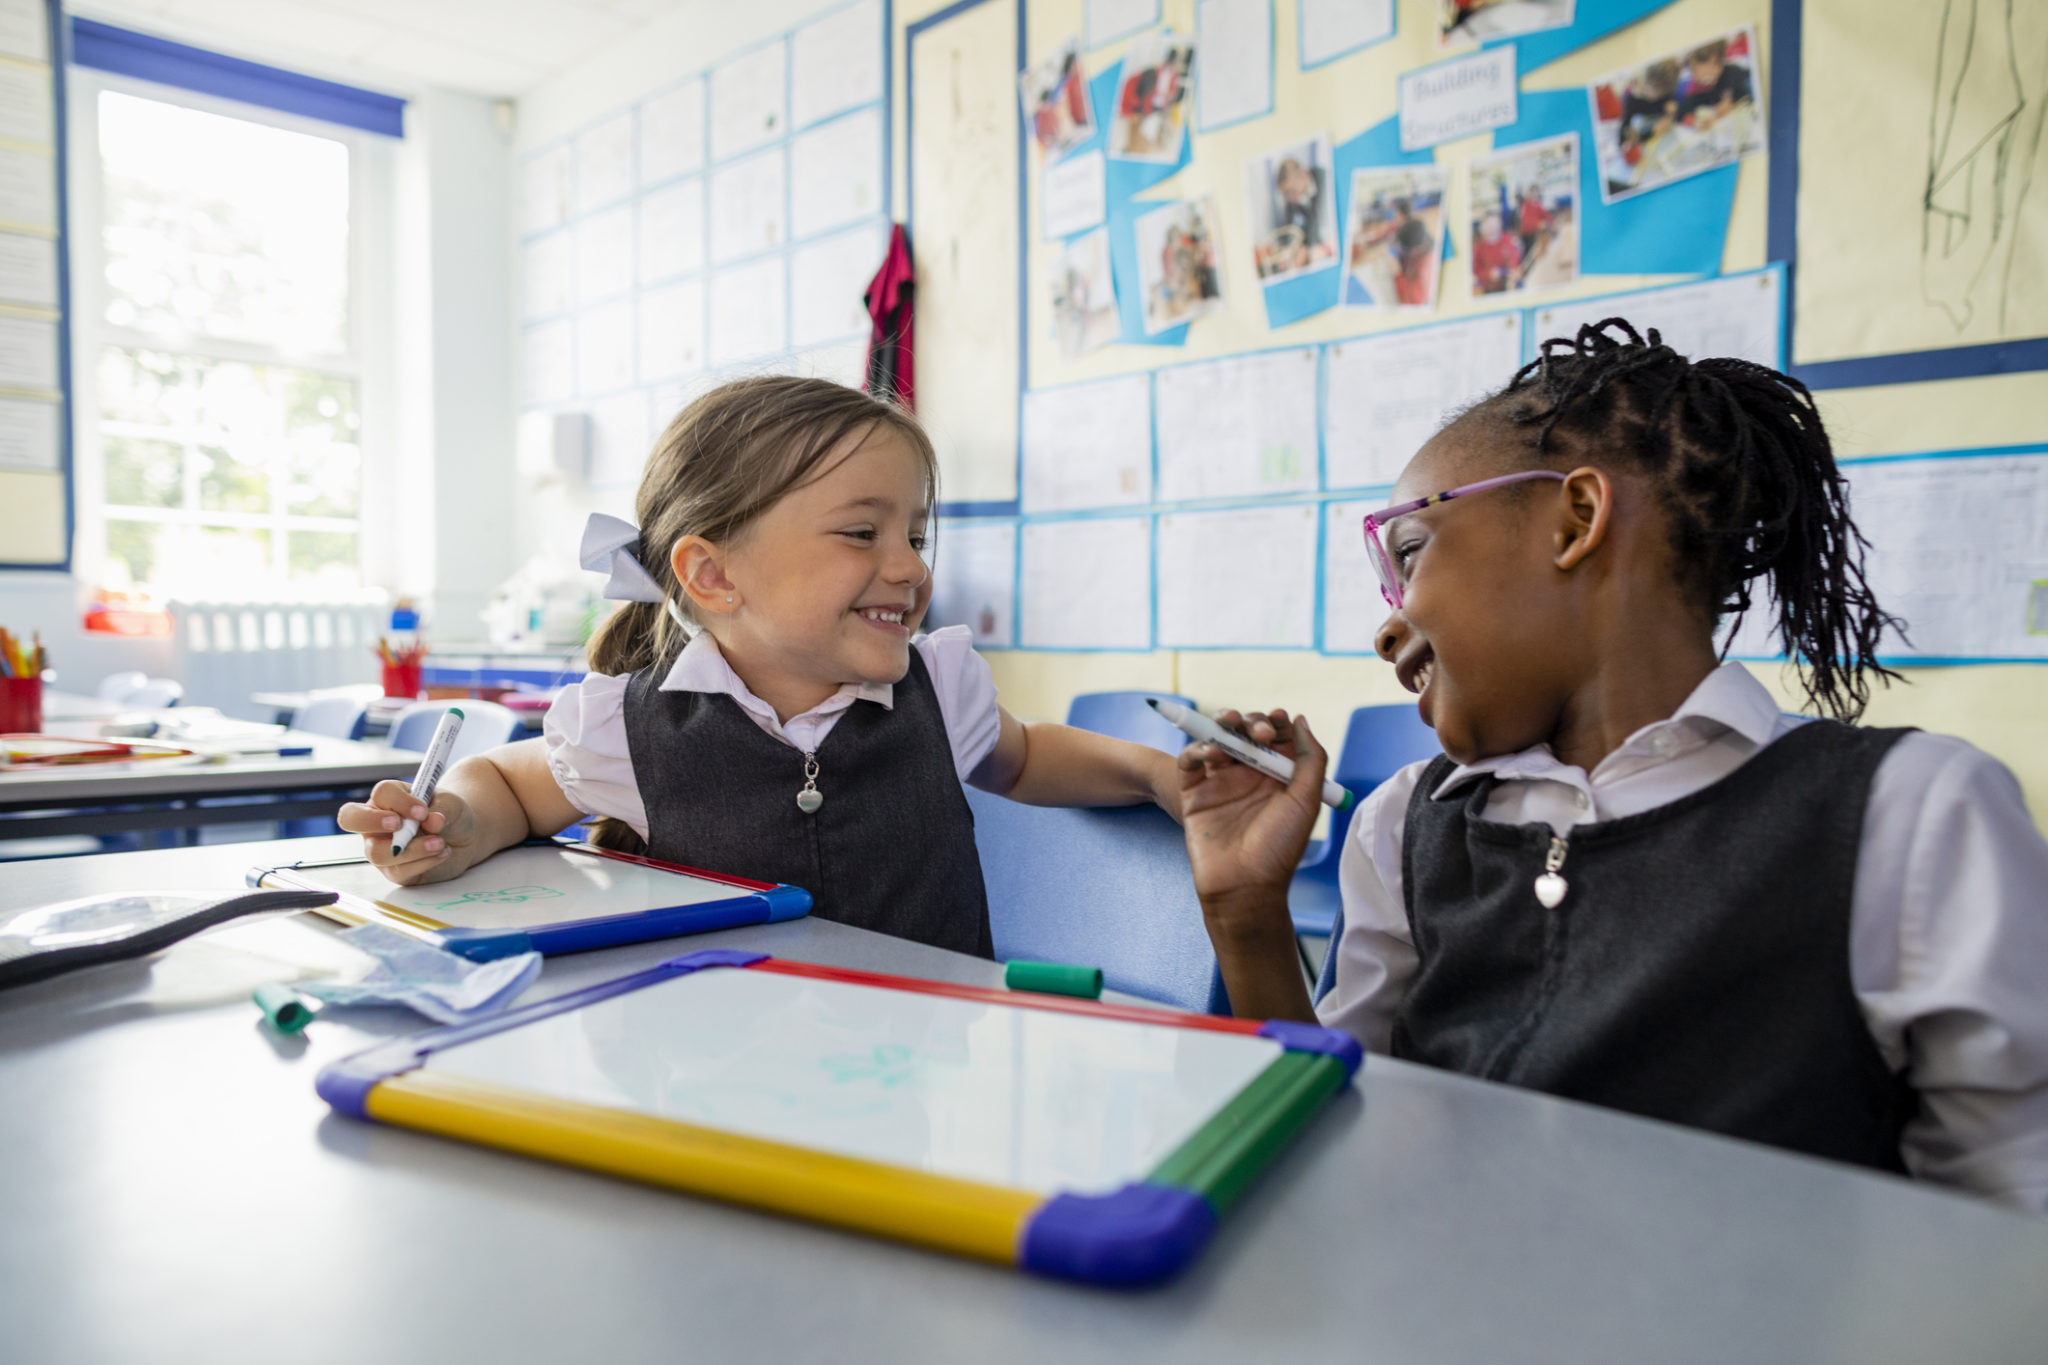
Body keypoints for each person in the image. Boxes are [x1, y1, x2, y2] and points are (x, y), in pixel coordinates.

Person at [1175, 321, 2048, 1207]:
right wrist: (1246, 915)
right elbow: (1336, 1138)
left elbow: (2010, 1225)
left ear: (1577, 519)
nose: (1388, 624)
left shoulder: (1911, 814)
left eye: (1410, 552)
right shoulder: (1404, 822)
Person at [339, 377, 1182, 957]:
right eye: (863, 533)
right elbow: (509, 785)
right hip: (721, 1077)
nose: (910, 567)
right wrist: (451, 825)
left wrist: (1157, 774)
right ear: (712, 575)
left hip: (926, 1073)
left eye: (916, 535)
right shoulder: (629, 727)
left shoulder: (940, 688)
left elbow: (1026, 757)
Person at [1470, 210, 1521, 294]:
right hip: (1488, 289)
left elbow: (1514, 260)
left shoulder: (1507, 240)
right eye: (1489, 226)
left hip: (1507, 285)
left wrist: (1513, 270)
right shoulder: (1479, 247)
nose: (1492, 229)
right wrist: (1489, 274)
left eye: (1495, 225)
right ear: (1483, 228)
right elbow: (1476, 270)